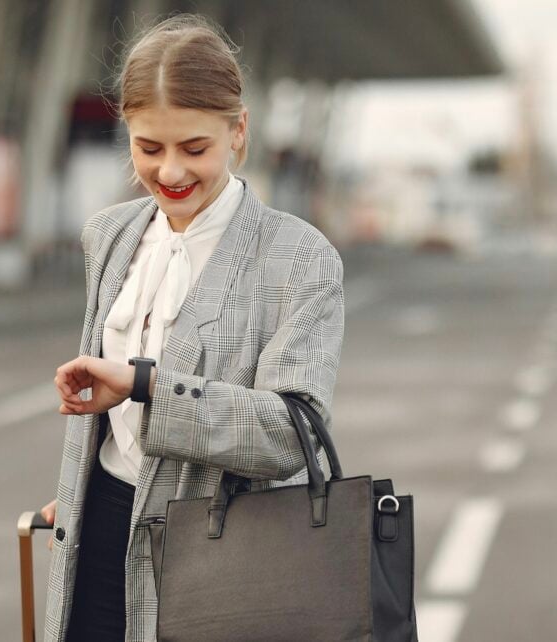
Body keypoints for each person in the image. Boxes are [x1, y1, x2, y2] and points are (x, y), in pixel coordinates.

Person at [41, 14, 344, 641]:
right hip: (98, 539)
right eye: (148, 148)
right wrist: (77, 496)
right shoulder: (111, 236)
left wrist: (146, 385)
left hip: (224, 557)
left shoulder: (298, 258)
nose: (171, 172)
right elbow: (109, 432)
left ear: (238, 131)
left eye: (194, 148)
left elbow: (292, 436)